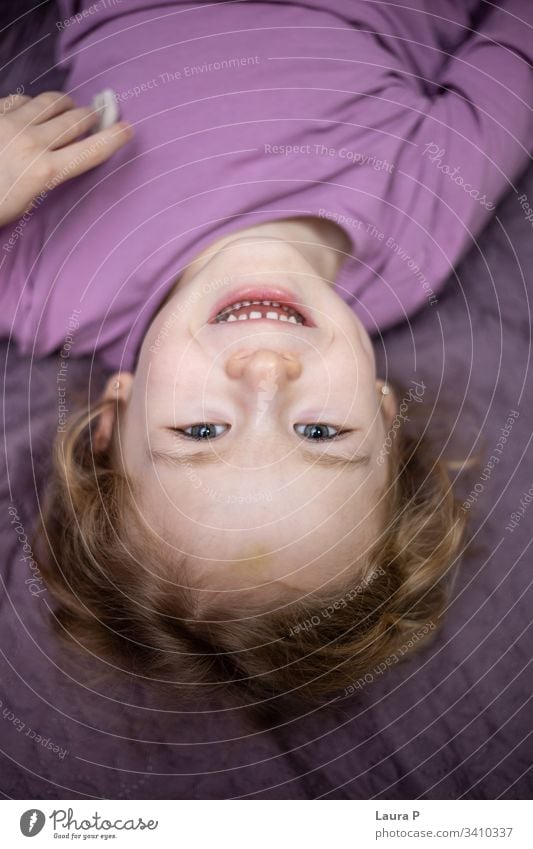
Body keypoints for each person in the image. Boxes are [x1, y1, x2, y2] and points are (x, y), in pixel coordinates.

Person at [1, 0, 531, 722]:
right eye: (319, 432)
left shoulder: (54, 290)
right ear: (381, 409)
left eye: (199, 432)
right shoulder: (419, 230)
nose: (264, 375)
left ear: (112, 415)